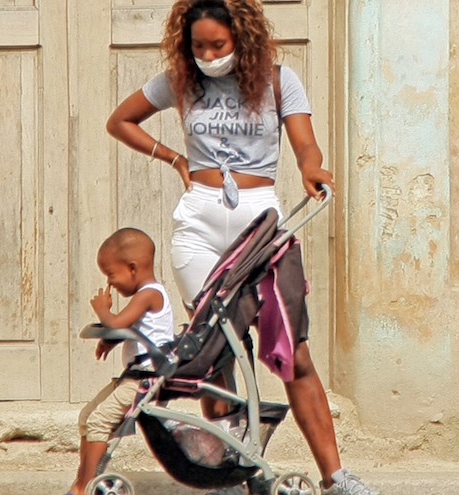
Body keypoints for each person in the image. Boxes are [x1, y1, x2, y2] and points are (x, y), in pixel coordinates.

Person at [104, 1, 379, 494]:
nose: (208, 55)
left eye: (218, 45)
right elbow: (121, 120)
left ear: (242, 38)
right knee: (218, 351)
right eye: (198, 46)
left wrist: (311, 168)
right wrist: (173, 159)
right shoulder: (182, 82)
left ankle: (336, 477)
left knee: (293, 353)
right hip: (199, 224)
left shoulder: (277, 81)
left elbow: (305, 144)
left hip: (260, 220)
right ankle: (226, 473)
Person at [66, 228, 175, 495]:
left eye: (111, 275)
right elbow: (133, 329)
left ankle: (86, 486)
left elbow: (116, 322)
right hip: (135, 376)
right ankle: (84, 481)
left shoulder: (149, 294)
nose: (110, 284)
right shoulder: (145, 295)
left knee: (99, 421)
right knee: (88, 417)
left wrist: (103, 309)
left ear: (133, 268)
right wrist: (110, 341)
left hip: (147, 378)